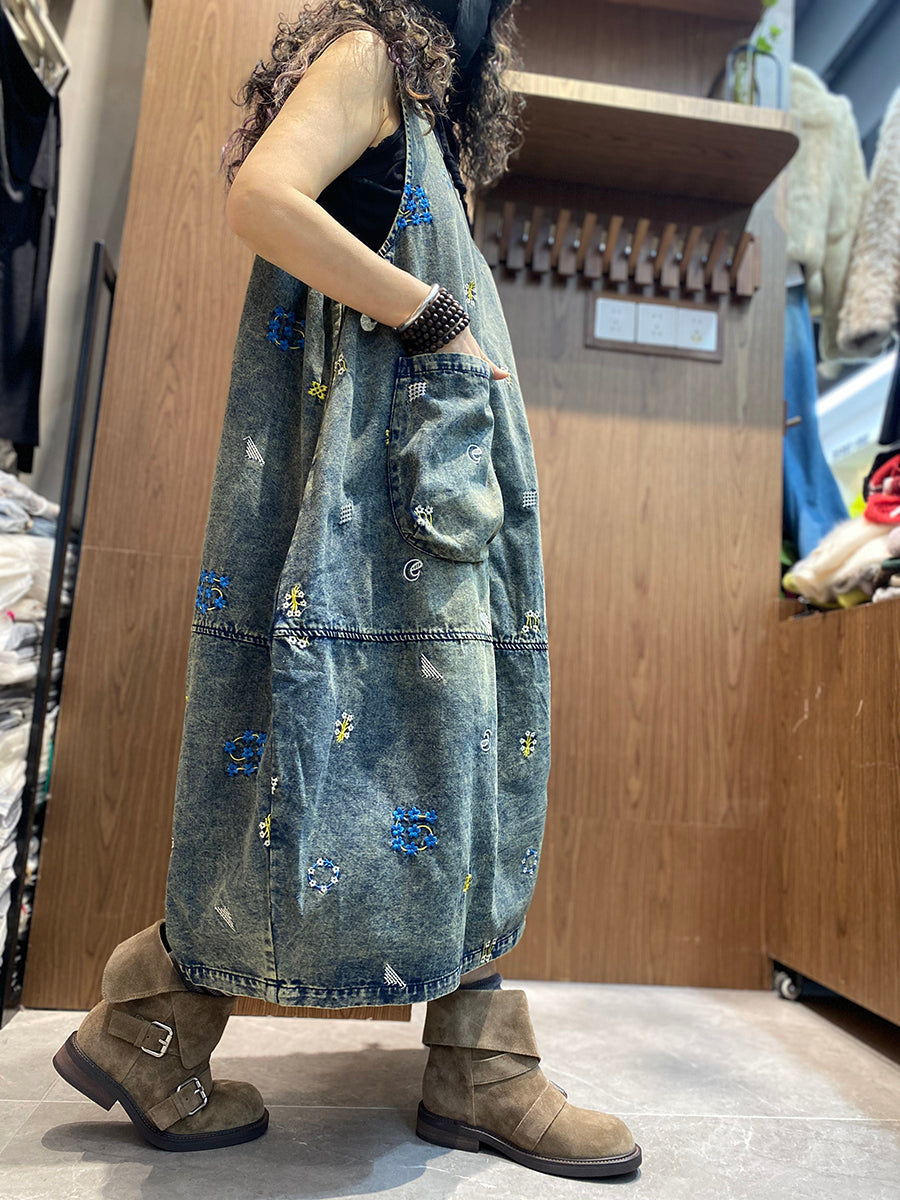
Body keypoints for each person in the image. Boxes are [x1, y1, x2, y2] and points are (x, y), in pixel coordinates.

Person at [51, 0, 641, 1178]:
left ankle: (157, 1025)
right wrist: (436, 318)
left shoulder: (422, 114)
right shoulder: (369, 56)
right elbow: (262, 199)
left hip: (422, 514)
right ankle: (463, 1066)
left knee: (456, 762)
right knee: (395, 764)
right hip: (375, 522)